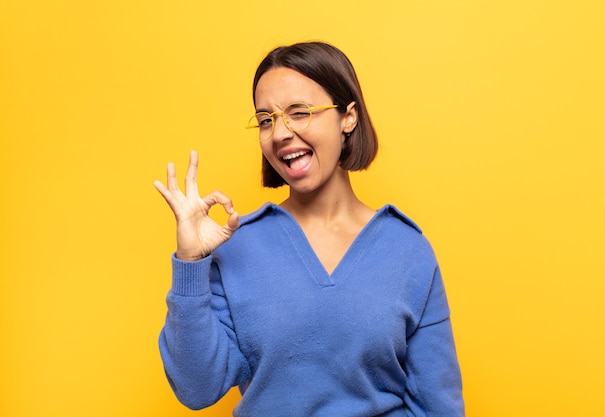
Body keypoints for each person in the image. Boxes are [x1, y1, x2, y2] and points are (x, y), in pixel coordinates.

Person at [154, 41, 465, 417]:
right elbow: (196, 388)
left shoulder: (408, 250)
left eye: (299, 113)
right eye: (266, 119)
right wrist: (190, 262)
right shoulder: (237, 246)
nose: (280, 133)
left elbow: (439, 405)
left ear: (348, 117)